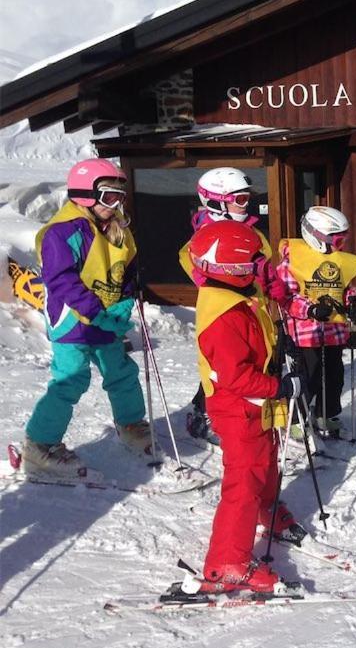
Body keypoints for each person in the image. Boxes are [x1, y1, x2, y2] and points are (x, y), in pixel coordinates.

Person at [190, 220, 306, 592]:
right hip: (238, 406)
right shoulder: (222, 316)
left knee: (265, 459)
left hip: (256, 402)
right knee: (243, 479)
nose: (259, 267)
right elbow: (234, 377)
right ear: (232, 267)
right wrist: (279, 385)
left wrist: (281, 347)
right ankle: (226, 563)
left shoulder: (237, 296)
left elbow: (259, 332)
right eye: (253, 262)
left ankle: (267, 509)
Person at [22, 158, 150, 476]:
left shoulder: (118, 230)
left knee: (121, 372)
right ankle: (39, 444)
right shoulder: (62, 233)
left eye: (120, 196)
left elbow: (128, 271)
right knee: (71, 379)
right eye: (109, 197)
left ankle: (131, 424)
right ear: (85, 196)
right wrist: (96, 312)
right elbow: (62, 280)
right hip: (72, 322)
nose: (116, 203)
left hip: (105, 316)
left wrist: (125, 300)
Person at [178, 167, 284, 445]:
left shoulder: (249, 232)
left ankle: (263, 414)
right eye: (239, 200)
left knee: (257, 364)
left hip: (256, 311)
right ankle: (205, 414)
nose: (245, 204)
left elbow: (264, 269)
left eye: (247, 198)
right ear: (215, 201)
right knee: (222, 371)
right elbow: (207, 277)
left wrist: (278, 292)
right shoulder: (205, 240)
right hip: (227, 314)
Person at [277, 206, 356, 438]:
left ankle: (326, 414)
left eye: (343, 240)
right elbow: (286, 297)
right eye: (336, 240)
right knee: (309, 376)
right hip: (306, 333)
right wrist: (311, 309)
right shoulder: (292, 262)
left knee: (334, 376)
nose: (340, 246)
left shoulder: (336, 260)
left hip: (334, 330)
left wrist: (352, 301)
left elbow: (344, 287)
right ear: (316, 236)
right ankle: (298, 418)